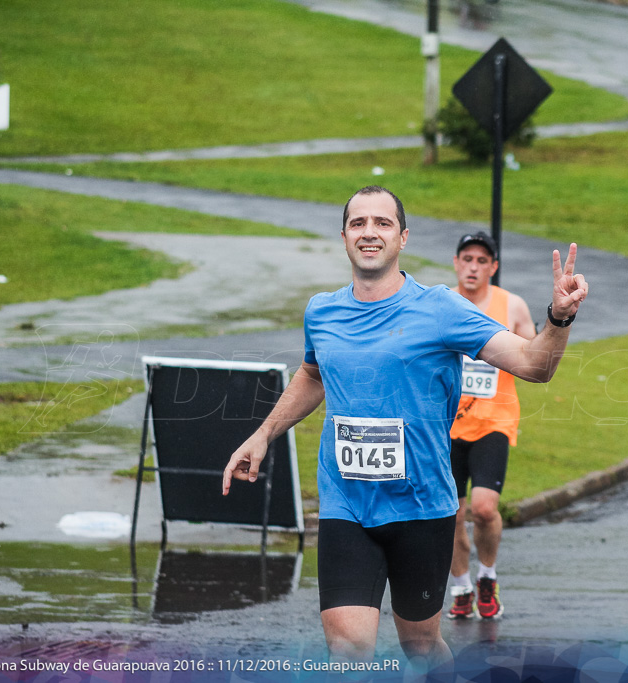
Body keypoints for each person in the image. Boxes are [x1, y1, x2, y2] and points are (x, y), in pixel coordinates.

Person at [222, 186, 588, 672]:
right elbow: (312, 375)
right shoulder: (322, 311)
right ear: (344, 236)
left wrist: (559, 317)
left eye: (382, 223)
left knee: (421, 645)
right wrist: (263, 434)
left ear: (403, 237)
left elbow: (533, 365)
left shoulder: (441, 309)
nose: (369, 232)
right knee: (349, 650)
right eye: (358, 223)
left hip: (421, 507)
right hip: (346, 503)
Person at [446, 231, 535, 620]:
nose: (473, 267)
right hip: (444, 424)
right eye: (467, 259)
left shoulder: (511, 305)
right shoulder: (441, 303)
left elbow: (535, 355)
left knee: (482, 509)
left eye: (482, 261)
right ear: (456, 262)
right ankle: (461, 586)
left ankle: (488, 575)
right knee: (449, 513)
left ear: (493, 267)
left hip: (494, 421)